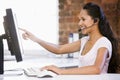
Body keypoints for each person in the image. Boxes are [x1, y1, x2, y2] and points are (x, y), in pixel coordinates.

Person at [19, 2, 118, 75]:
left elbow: (96, 69)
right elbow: (59, 49)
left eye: (83, 19)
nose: (79, 23)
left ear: (95, 21)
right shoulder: (84, 41)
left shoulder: (103, 43)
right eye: (80, 19)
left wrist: (61, 71)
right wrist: (36, 39)